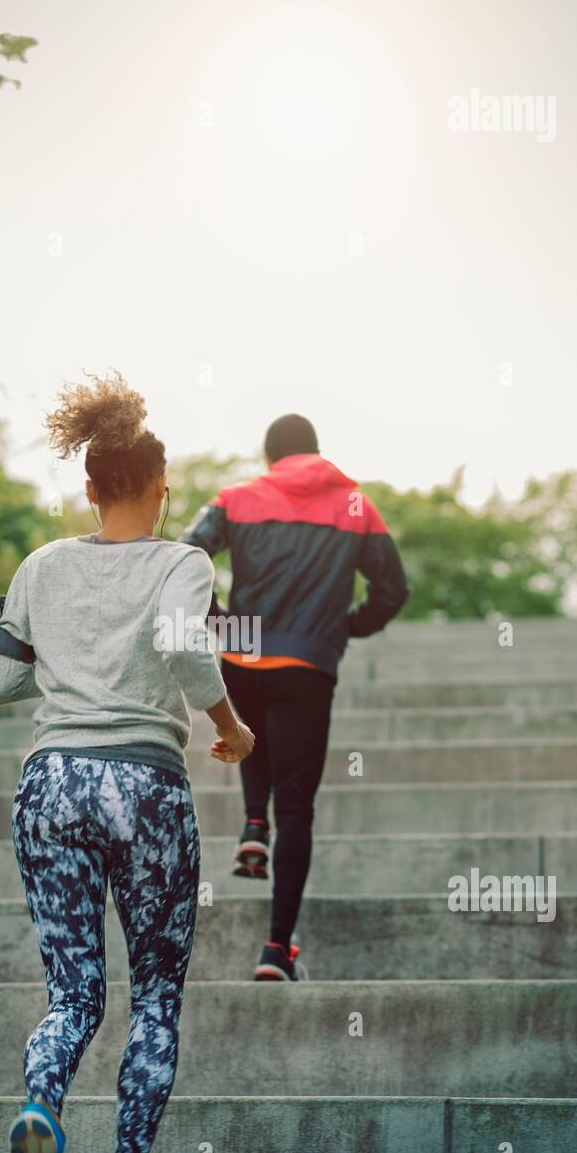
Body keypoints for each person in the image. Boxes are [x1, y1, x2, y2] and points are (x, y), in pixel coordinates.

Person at [0, 372, 254, 1153]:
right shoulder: (181, 562)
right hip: (145, 787)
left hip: (51, 784)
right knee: (156, 1001)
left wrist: (57, 643)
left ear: (90, 487)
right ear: (161, 486)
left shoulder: (42, 565)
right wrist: (231, 727)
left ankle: (41, 1109)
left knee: (74, 995)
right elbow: (186, 652)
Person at [183, 413, 409, 982]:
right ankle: (276, 950)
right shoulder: (355, 504)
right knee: (299, 809)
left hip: (244, 654)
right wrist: (345, 627)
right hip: (308, 664)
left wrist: (223, 626)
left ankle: (252, 823)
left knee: (249, 732)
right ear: (316, 450)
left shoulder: (236, 498)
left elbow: (184, 560)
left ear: (269, 457)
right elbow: (394, 588)